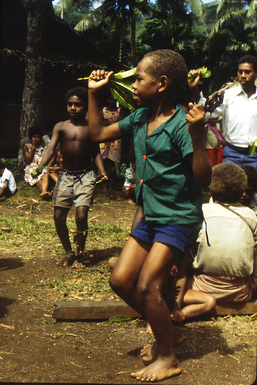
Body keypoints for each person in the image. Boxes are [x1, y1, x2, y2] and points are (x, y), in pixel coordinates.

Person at [88, 49, 212, 382]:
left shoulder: (181, 125)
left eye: (139, 78)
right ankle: (169, 332)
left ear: (161, 84)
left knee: (147, 287)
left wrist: (198, 136)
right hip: (151, 214)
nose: (133, 83)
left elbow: (204, 179)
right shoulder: (139, 118)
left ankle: (168, 356)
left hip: (178, 215)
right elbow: (98, 134)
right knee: (120, 281)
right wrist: (94, 94)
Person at [38, 87, 107, 268]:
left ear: (85, 107)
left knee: (81, 214)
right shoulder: (60, 126)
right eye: (70, 104)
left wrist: (103, 172)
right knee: (58, 216)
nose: (73, 108)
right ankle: (68, 252)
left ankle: (79, 253)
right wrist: (39, 166)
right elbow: (51, 148)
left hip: (86, 175)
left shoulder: (91, 127)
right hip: (66, 176)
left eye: (78, 104)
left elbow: (97, 153)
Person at [189, 163, 257, 303]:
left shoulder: (201, 211)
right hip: (240, 293)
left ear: (212, 190)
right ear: (240, 190)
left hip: (200, 288)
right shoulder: (251, 216)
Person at [188, 54, 257, 168]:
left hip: (255, 156)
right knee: (228, 184)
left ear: (256, 74)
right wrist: (194, 89)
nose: (243, 76)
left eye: (247, 72)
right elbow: (204, 112)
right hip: (232, 154)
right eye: (240, 72)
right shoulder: (226, 96)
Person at [99, 91, 123, 193]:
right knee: (103, 161)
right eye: (110, 99)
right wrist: (114, 123)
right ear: (107, 100)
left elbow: (121, 122)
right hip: (104, 138)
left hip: (116, 139)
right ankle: (104, 184)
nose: (112, 101)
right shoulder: (103, 110)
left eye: (114, 99)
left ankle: (110, 185)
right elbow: (100, 122)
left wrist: (108, 123)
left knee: (112, 163)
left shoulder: (120, 110)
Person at [23, 125, 54, 199]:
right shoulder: (27, 147)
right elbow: (28, 161)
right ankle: (46, 192)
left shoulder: (44, 148)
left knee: (44, 175)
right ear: (31, 137)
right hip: (32, 170)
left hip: (42, 168)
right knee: (39, 181)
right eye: (34, 137)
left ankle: (44, 192)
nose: (36, 139)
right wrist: (33, 147)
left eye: (38, 137)